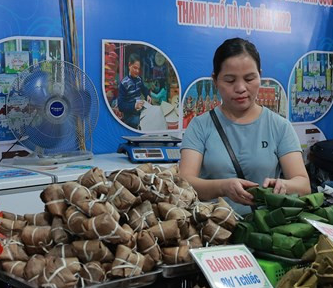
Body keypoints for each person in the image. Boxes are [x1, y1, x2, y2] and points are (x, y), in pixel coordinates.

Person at [179, 38, 309, 213]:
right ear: (215, 80)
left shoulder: (280, 126)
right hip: (215, 229)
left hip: (263, 231)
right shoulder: (200, 126)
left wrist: (283, 185)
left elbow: (302, 183)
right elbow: (185, 182)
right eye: (230, 80)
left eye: (249, 78)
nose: (240, 88)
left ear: (260, 76)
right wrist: (223, 187)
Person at [116, 54, 147, 129]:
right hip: (129, 116)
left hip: (139, 112)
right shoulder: (124, 83)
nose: (137, 71)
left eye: (138, 69)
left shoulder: (139, 79)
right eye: (135, 68)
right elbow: (120, 106)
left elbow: (144, 89)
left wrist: (147, 95)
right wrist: (134, 106)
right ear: (129, 65)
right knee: (142, 123)